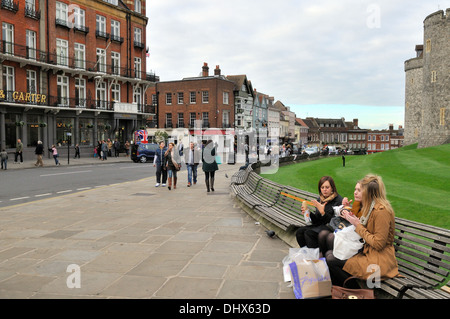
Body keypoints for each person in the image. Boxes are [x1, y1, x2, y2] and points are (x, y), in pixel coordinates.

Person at [326, 174, 400, 288]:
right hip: (368, 252)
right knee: (330, 254)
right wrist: (354, 221)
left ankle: (356, 292)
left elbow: (378, 244)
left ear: (369, 192)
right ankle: (343, 291)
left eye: (361, 190)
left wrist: (357, 225)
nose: (357, 192)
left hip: (379, 260)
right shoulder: (369, 207)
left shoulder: (381, 211)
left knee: (331, 259)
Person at [295, 176, 344, 250]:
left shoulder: (338, 201)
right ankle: (306, 254)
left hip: (331, 228)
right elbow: (317, 220)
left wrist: (323, 212)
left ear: (332, 188)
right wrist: (308, 212)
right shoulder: (321, 199)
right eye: (322, 187)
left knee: (309, 233)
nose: (324, 190)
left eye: (327, 187)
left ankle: (316, 257)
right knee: (300, 232)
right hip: (320, 226)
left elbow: (335, 222)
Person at [318, 182, 362, 256]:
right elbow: (342, 214)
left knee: (329, 237)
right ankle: (322, 259)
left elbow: (357, 223)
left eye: (359, 190)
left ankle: (326, 259)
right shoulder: (357, 203)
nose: (355, 192)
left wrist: (323, 213)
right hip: (343, 229)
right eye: (355, 189)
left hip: (354, 237)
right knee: (321, 234)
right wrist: (344, 208)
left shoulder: (337, 199)